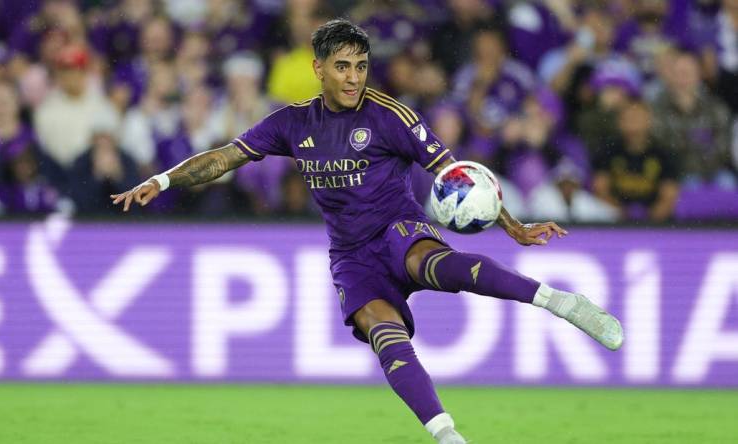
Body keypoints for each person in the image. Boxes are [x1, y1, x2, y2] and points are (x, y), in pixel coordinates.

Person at [111, 19, 623, 444]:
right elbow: (223, 158)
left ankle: (561, 303)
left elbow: (456, 177)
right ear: (318, 69)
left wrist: (512, 226)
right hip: (351, 256)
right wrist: (162, 179)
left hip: (398, 228)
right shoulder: (292, 123)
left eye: (360, 66)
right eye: (342, 67)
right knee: (385, 337)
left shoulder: (389, 116)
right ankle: (449, 438)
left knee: (434, 265)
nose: (354, 77)